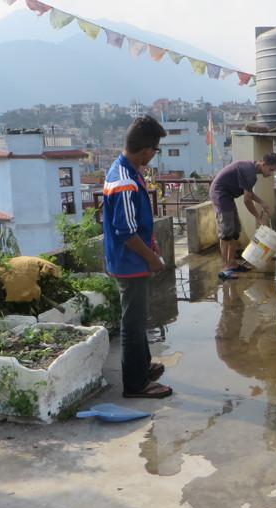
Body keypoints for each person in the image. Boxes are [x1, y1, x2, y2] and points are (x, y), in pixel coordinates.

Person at [102, 116, 172, 398]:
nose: (154, 155)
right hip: (129, 262)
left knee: (138, 317)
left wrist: (152, 249)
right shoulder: (124, 182)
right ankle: (135, 384)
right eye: (156, 150)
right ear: (146, 150)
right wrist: (152, 259)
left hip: (131, 260)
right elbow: (126, 232)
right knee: (132, 324)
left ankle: (142, 366)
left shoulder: (128, 171)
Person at [208, 153, 276, 280]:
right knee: (226, 233)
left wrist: (262, 203)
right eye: (270, 170)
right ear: (263, 164)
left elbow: (248, 193)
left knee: (235, 232)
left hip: (228, 196)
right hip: (220, 195)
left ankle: (232, 263)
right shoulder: (250, 173)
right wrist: (258, 217)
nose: (271, 174)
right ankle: (225, 268)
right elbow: (247, 200)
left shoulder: (250, 170)